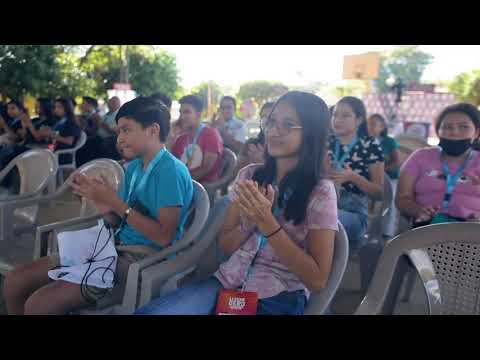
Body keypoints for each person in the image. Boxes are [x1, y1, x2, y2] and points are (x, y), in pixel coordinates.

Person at [135, 91, 338, 315]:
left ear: (311, 133)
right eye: (271, 122)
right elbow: (226, 246)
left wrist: (268, 223)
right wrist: (248, 224)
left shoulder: (321, 192)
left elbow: (317, 280)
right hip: (226, 283)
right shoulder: (250, 176)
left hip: (279, 297)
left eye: (288, 125)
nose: (273, 131)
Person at [3, 96, 194, 315]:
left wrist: (114, 201)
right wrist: (99, 200)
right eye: (119, 131)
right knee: (16, 280)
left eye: (126, 130)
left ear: (153, 130)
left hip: (141, 259)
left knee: (38, 304)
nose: (119, 139)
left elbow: (164, 237)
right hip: (110, 247)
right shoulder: (134, 168)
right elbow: (118, 219)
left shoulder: (170, 172)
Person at [396, 103, 480, 227]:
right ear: (438, 131)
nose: (454, 133)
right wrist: (417, 210)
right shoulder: (420, 157)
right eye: (447, 127)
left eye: (463, 127)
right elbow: (402, 198)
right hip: (426, 228)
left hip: (472, 232)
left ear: (476, 133)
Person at [328, 96, 384, 252]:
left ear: (359, 120)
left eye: (345, 115)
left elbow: (379, 194)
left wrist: (353, 177)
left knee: (323, 218)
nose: (337, 120)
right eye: (335, 115)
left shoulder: (370, 145)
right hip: (326, 201)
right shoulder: (326, 142)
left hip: (355, 212)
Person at [172, 95, 224, 184]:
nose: (182, 117)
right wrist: (170, 137)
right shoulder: (181, 139)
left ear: (198, 114)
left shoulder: (210, 134)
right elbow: (173, 166)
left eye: (187, 112)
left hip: (202, 188)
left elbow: (206, 168)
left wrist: (183, 183)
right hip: (183, 184)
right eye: (180, 113)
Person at [367, 113, 401, 237]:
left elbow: (397, 162)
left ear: (382, 127)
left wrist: (381, 171)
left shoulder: (389, 142)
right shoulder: (364, 142)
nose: (369, 127)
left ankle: (388, 232)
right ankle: (367, 230)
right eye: (368, 124)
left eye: (373, 124)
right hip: (370, 178)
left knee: (390, 201)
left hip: (390, 178)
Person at [235, 101, 274, 172]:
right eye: (263, 117)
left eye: (270, 117)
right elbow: (237, 172)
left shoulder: (282, 148)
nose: (265, 121)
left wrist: (263, 163)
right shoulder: (251, 144)